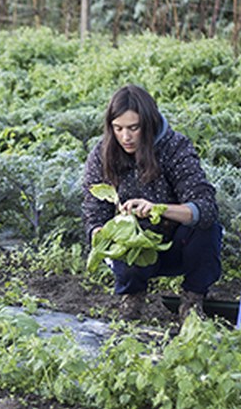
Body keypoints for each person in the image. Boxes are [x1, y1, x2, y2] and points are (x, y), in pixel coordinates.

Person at [82, 84, 222, 321]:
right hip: (136, 250)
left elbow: (206, 206)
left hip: (177, 246)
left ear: (148, 124)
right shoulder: (102, 154)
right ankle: (132, 298)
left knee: (207, 228)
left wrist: (158, 209)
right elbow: (93, 213)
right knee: (123, 235)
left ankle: (192, 301)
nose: (125, 137)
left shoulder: (175, 147)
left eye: (133, 128)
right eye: (118, 129)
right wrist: (105, 234)